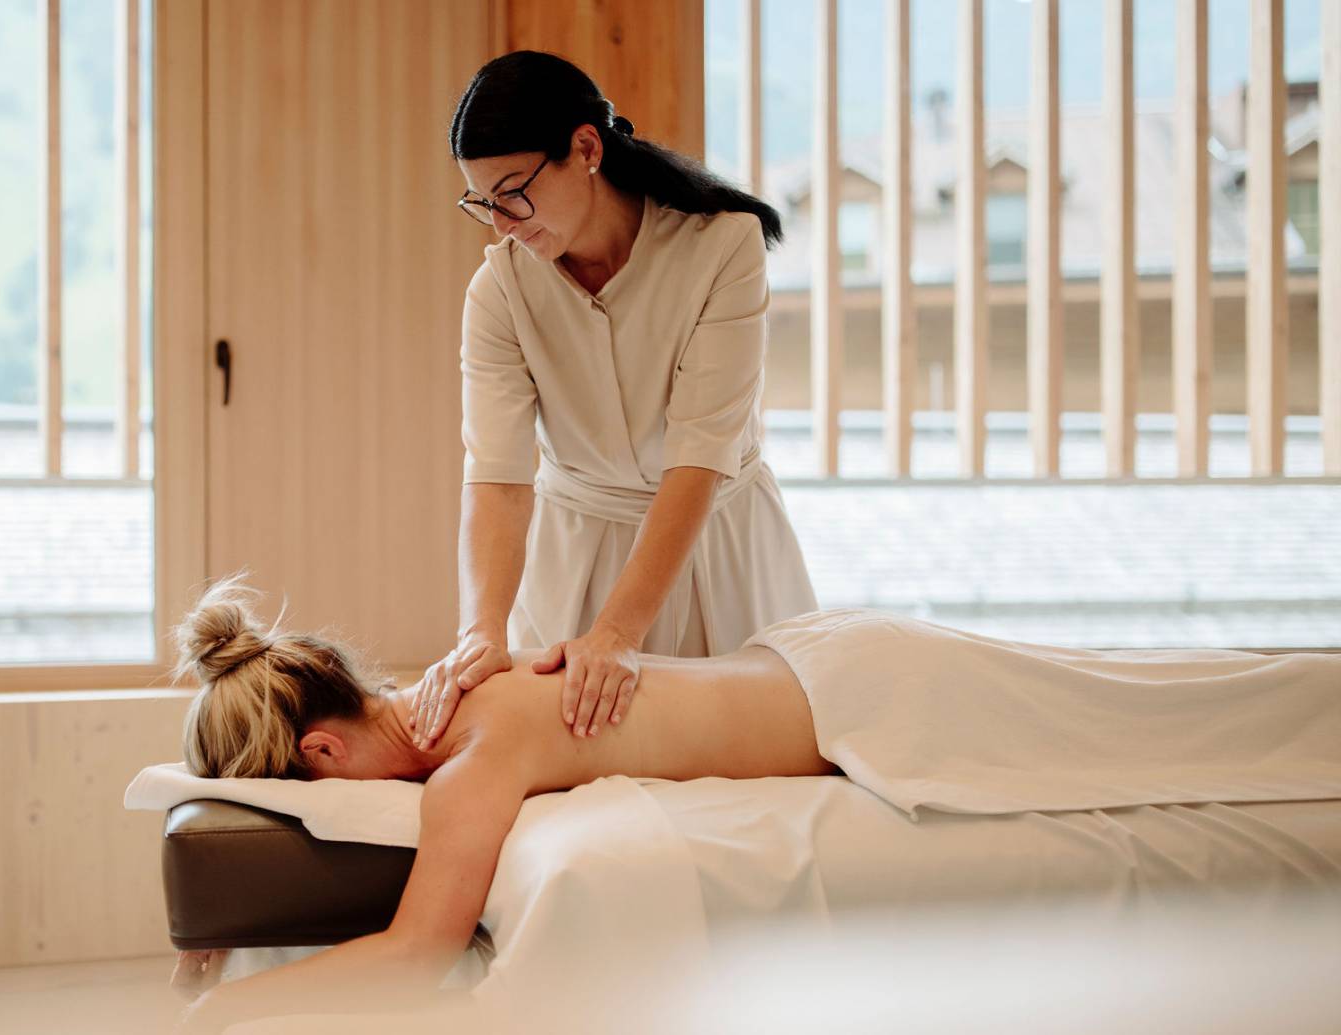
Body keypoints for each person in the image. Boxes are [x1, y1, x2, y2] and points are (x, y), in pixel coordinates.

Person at [168, 577, 1341, 1032]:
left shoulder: (474, 757)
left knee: (1167, 721)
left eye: (300, 797)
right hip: (830, 663)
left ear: (321, 750)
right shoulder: (462, 686)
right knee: (1156, 701)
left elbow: (418, 952)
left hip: (875, 701)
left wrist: (222, 1014)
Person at [416, 51, 816, 752]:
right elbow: (498, 477)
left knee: (758, 762)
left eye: (512, 193)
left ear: (586, 149)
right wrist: (480, 630)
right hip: (576, 555)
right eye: (482, 202)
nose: (501, 224)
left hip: (718, 541)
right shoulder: (500, 292)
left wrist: (620, 631)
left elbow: (699, 457)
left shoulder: (723, 247)